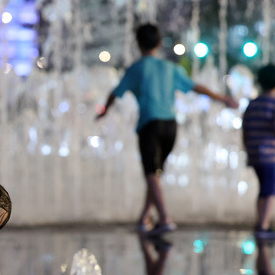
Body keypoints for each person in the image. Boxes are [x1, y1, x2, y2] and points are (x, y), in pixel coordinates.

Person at [96, 23, 238, 235]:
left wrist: (104, 111)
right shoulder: (170, 68)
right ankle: (144, 218)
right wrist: (223, 98)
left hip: (150, 125)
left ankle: (164, 218)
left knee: (151, 174)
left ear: (137, 44)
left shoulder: (137, 68)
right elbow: (195, 87)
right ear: (160, 43)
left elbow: (115, 92)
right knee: (155, 174)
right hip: (170, 126)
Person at [242, 63, 275, 240]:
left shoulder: (252, 103)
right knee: (270, 190)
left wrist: (248, 150)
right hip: (269, 154)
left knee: (263, 188)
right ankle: (264, 226)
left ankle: (260, 222)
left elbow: (245, 128)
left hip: (254, 153)